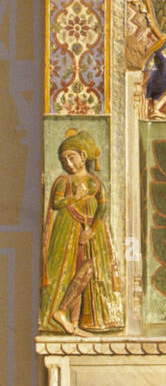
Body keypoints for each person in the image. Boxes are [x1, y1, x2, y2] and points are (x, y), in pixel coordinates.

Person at [40, 129, 124, 335]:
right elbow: (57, 203)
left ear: (83, 157)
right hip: (68, 232)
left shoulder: (95, 182)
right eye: (63, 159)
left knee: (87, 272)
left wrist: (93, 231)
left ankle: (71, 319)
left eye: (71, 157)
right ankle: (64, 317)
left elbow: (102, 207)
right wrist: (75, 197)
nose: (67, 163)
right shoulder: (63, 181)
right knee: (72, 273)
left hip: (91, 234)